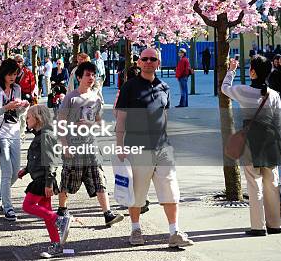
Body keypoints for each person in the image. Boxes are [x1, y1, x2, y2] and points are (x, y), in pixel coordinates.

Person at [115, 48, 193, 248]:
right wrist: (119, 146)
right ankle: (135, 229)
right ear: (139, 62)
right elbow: (121, 118)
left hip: (163, 148)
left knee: (171, 190)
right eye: (145, 59)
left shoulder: (164, 87)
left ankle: (174, 232)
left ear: (158, 63)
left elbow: (164, 116)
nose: (149, 62)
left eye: (153, 59)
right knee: (138, 192)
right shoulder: (129, 87)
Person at [56, 61, 123, 242]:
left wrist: (91, 124)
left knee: (99, 178)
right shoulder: (70, 98)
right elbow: (60, 122)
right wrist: (64, 144)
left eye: (93, 75)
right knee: (68, 179)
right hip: (73, 145)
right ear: (79, 77)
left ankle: (107, 214)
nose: (91, 78)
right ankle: (62, 211)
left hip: (91, 145)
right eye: (87, 75)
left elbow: (100, 123)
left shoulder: (96, 98)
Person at [222, 56, 281, 236]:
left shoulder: (243, 91)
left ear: (252, 72)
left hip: (251, 141)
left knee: (253, 182)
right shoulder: (273, 94)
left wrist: (231, 70)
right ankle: (275, 224)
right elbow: (279, 123)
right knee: (271, 183)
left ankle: (258, 226)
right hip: (271, 141)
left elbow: (224, 88)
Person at [19, 104, 65, 259]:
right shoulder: (40, 135)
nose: (26, 121)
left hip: (43, 180)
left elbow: (51, 161)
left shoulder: (46, 135)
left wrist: (49, 183)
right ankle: (56, 244)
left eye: (28, 118)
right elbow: (37, 158)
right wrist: (26, 170)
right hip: (41, 178)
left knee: (28, 205)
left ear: (37, 119)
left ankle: (60, 220)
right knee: (46, 213)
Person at [0, 58, 29, 221]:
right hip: (0, 134)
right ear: (3, 74)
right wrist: (6, 107)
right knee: (7, 172)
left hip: (15, 133)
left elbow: (17, 115)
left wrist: (23, 109)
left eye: (15, 74)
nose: (13, 77)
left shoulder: (17, 88)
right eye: (10, 74)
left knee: (16, 173)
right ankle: (8, 207)